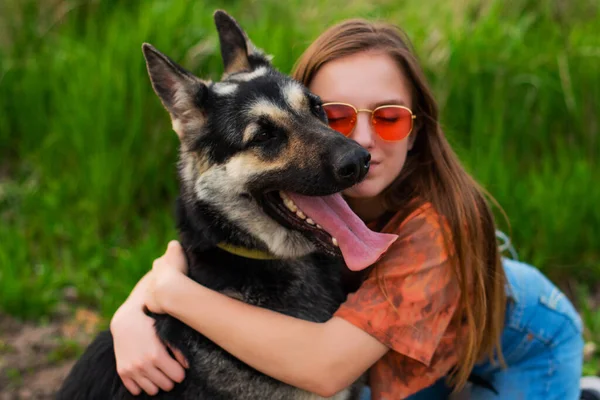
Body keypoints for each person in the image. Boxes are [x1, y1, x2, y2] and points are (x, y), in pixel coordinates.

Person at [110, 19, 586, 399]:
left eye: (390, 116)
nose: (355, 145)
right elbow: (187, 250)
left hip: (524, 343)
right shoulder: (306, 205)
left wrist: (171, 293)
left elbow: (324, 366)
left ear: (418, 128)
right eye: (334, 114)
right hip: (404, 352)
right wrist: (133, 311)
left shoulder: (431, 236)